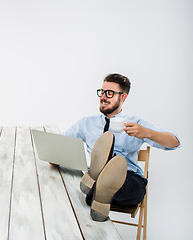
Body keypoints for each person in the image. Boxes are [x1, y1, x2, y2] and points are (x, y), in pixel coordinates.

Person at [63, 73, 180, 221]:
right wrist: (54, 156)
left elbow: (174, 142)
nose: (103, 97)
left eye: (109, 93)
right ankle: (98, 175)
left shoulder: (136, 122)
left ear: (123, 97)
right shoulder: (86, 123)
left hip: (127, 179)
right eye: (102, 92)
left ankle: (102, 178)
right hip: (96, 184)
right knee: (97, 184)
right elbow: (61, 144)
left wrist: (146, 132)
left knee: (129, 184)